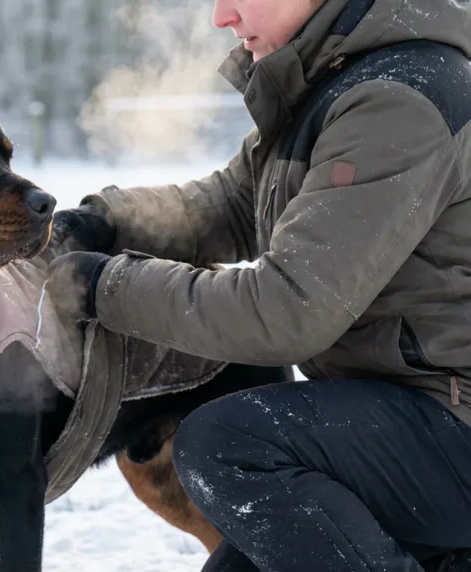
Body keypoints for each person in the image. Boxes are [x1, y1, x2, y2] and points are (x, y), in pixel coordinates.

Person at [44, 0, 471, 570]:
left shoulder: (397, 100)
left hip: (451, 424)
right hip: (402, 419)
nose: (222, 16)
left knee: (231, 443)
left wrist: (103, 288)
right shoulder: (335, 84)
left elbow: (287, 310)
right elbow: (232, 206)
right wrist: (109, 222)